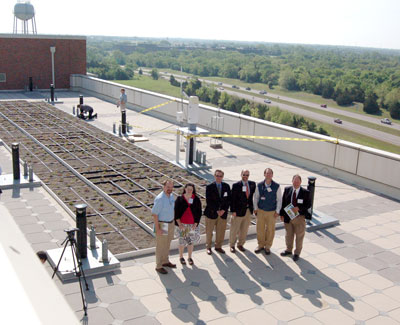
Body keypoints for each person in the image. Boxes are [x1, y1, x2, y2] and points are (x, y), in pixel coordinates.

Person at [280, 174, 311, 262]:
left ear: (301, 182)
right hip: (288, 217)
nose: (296, 183)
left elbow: (308, 205)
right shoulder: (287, 189)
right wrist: (282, 214)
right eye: (295, 181)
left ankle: (297, 253)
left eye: (298, 181)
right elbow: (283, 202)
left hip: (299, 218)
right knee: (288, 235)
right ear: (292, 181)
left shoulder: (305, 192)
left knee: (299, 236)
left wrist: (299, 208)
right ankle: (288, 250)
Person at [253, 168, 282, 255]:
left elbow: (279, 199)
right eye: (267, 173)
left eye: (270, 173)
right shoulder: (259, 185)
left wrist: (277, 211)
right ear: (264, 174)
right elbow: (256, 197)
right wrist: (255, 208)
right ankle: (260, 245)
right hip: (261, 211)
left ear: (272, 175)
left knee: (270, 230)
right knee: (260, 229)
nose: (268, 175)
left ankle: (268, 246)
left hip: (271, 212)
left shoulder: (277, 186)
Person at [174, 183, 202, 265]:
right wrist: (179, 224)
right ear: (185, 189)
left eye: (191, 189)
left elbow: (199, 212)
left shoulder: (196, 199)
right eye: (188, 189)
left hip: (191, 225)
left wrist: (196, 223)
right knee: (182, 241)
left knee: (190, 241)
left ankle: (190, 257)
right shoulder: (180, 199)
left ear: (193, 190)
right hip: (183, 225)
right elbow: (176, 212)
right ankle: (181, 257)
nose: (189, 190)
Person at [152, 180, 176, 274]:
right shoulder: (160, 199)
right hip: (162, 224)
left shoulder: (171, 196)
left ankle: (165, 261)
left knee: (167, 243)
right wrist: (157, 229)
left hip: (170, 223)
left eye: (171, 187)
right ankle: (158, 266)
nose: (169, 189)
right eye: (168, 187)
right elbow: (154, 214)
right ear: (163, 187)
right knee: (160, 246)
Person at [204, 169, 231, 255]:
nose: (219, 177)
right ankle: (208, 247)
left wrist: (223, 210)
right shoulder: (209, 187)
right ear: (214, 176)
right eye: (217, 176)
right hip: (211, 213)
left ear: (222, 177)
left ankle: (218, 246)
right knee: (209, 232)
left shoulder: (226, 186)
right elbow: (209, 201)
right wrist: (216, 210)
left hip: (222, 214)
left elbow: (228, 200)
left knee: (221, 231)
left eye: (220, 176)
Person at [229, 169, 256, 253]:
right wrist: (233, 210)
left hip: (248, 211)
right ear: (241, 175)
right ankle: (232, 245)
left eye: (247, 175)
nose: (245, 176)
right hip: (237, 211)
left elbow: (253, 196)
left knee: (244, 229)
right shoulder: (236, 185)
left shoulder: (252, 184)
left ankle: (240, 244)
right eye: (244, 174)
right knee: (234, 229)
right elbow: (232, 199)